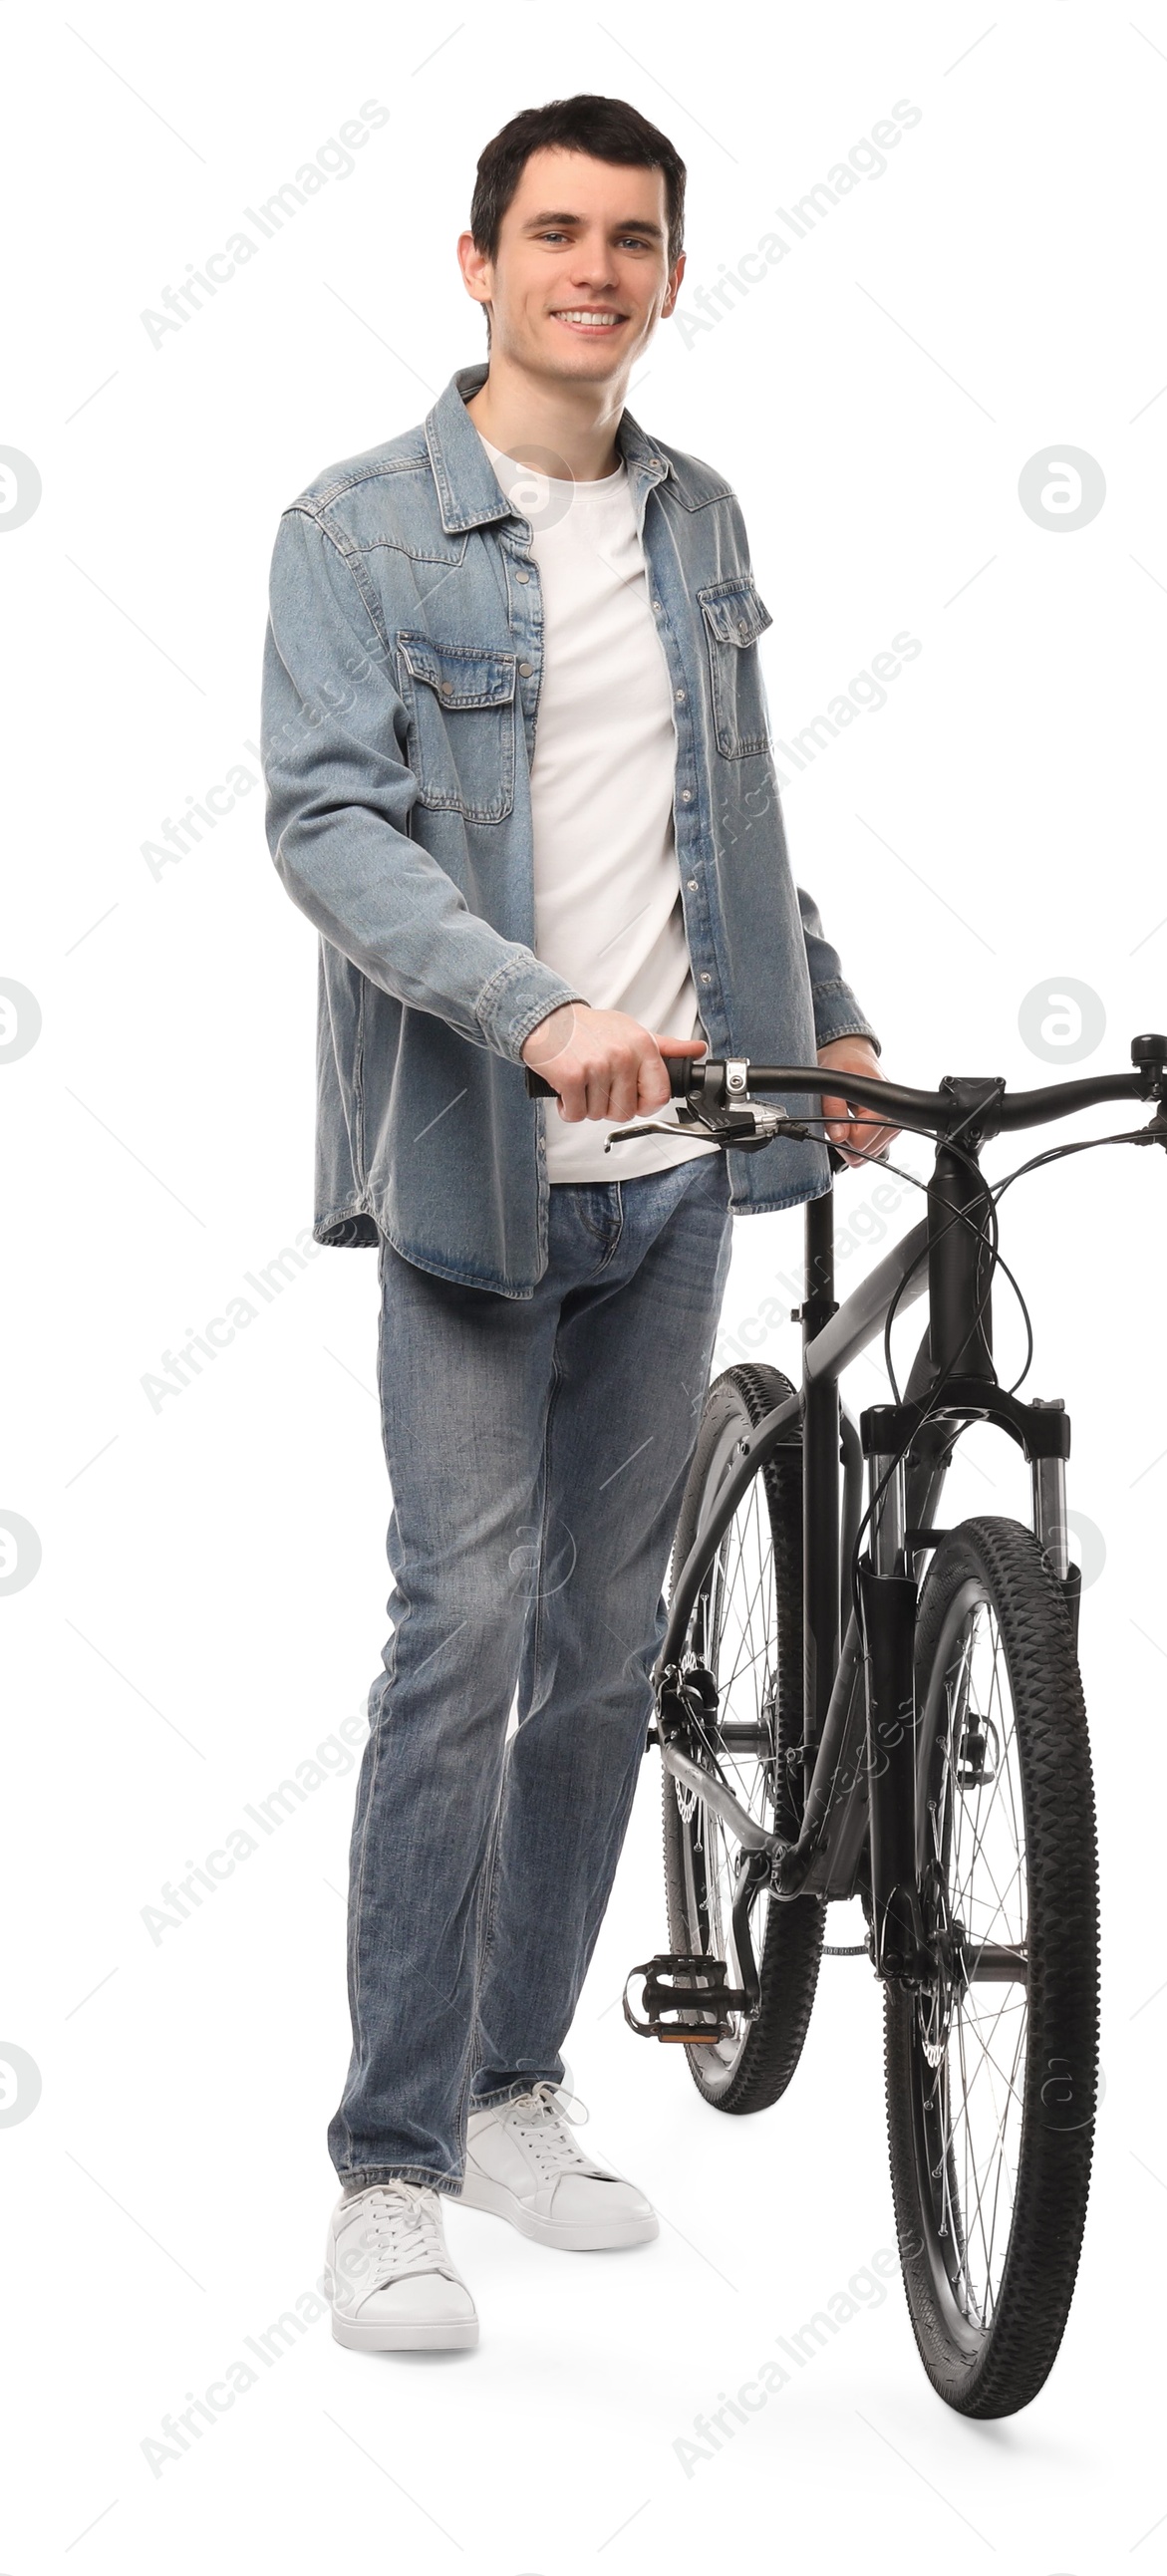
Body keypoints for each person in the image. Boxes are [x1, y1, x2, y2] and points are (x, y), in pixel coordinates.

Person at [260, 93, 886, 2352]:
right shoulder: (356, 533)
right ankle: (390, 2168)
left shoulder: (695, 519)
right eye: (553, 235)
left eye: (631, 239)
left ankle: (520, 2090)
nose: (592, 271)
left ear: (667, 272)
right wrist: (537, 1021)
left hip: (677, 1185)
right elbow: (329, 832)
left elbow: (735, 824)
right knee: (463, 1642)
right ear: (475, 266)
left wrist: (830, 1038)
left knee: (607, 1659)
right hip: (477, 1181)